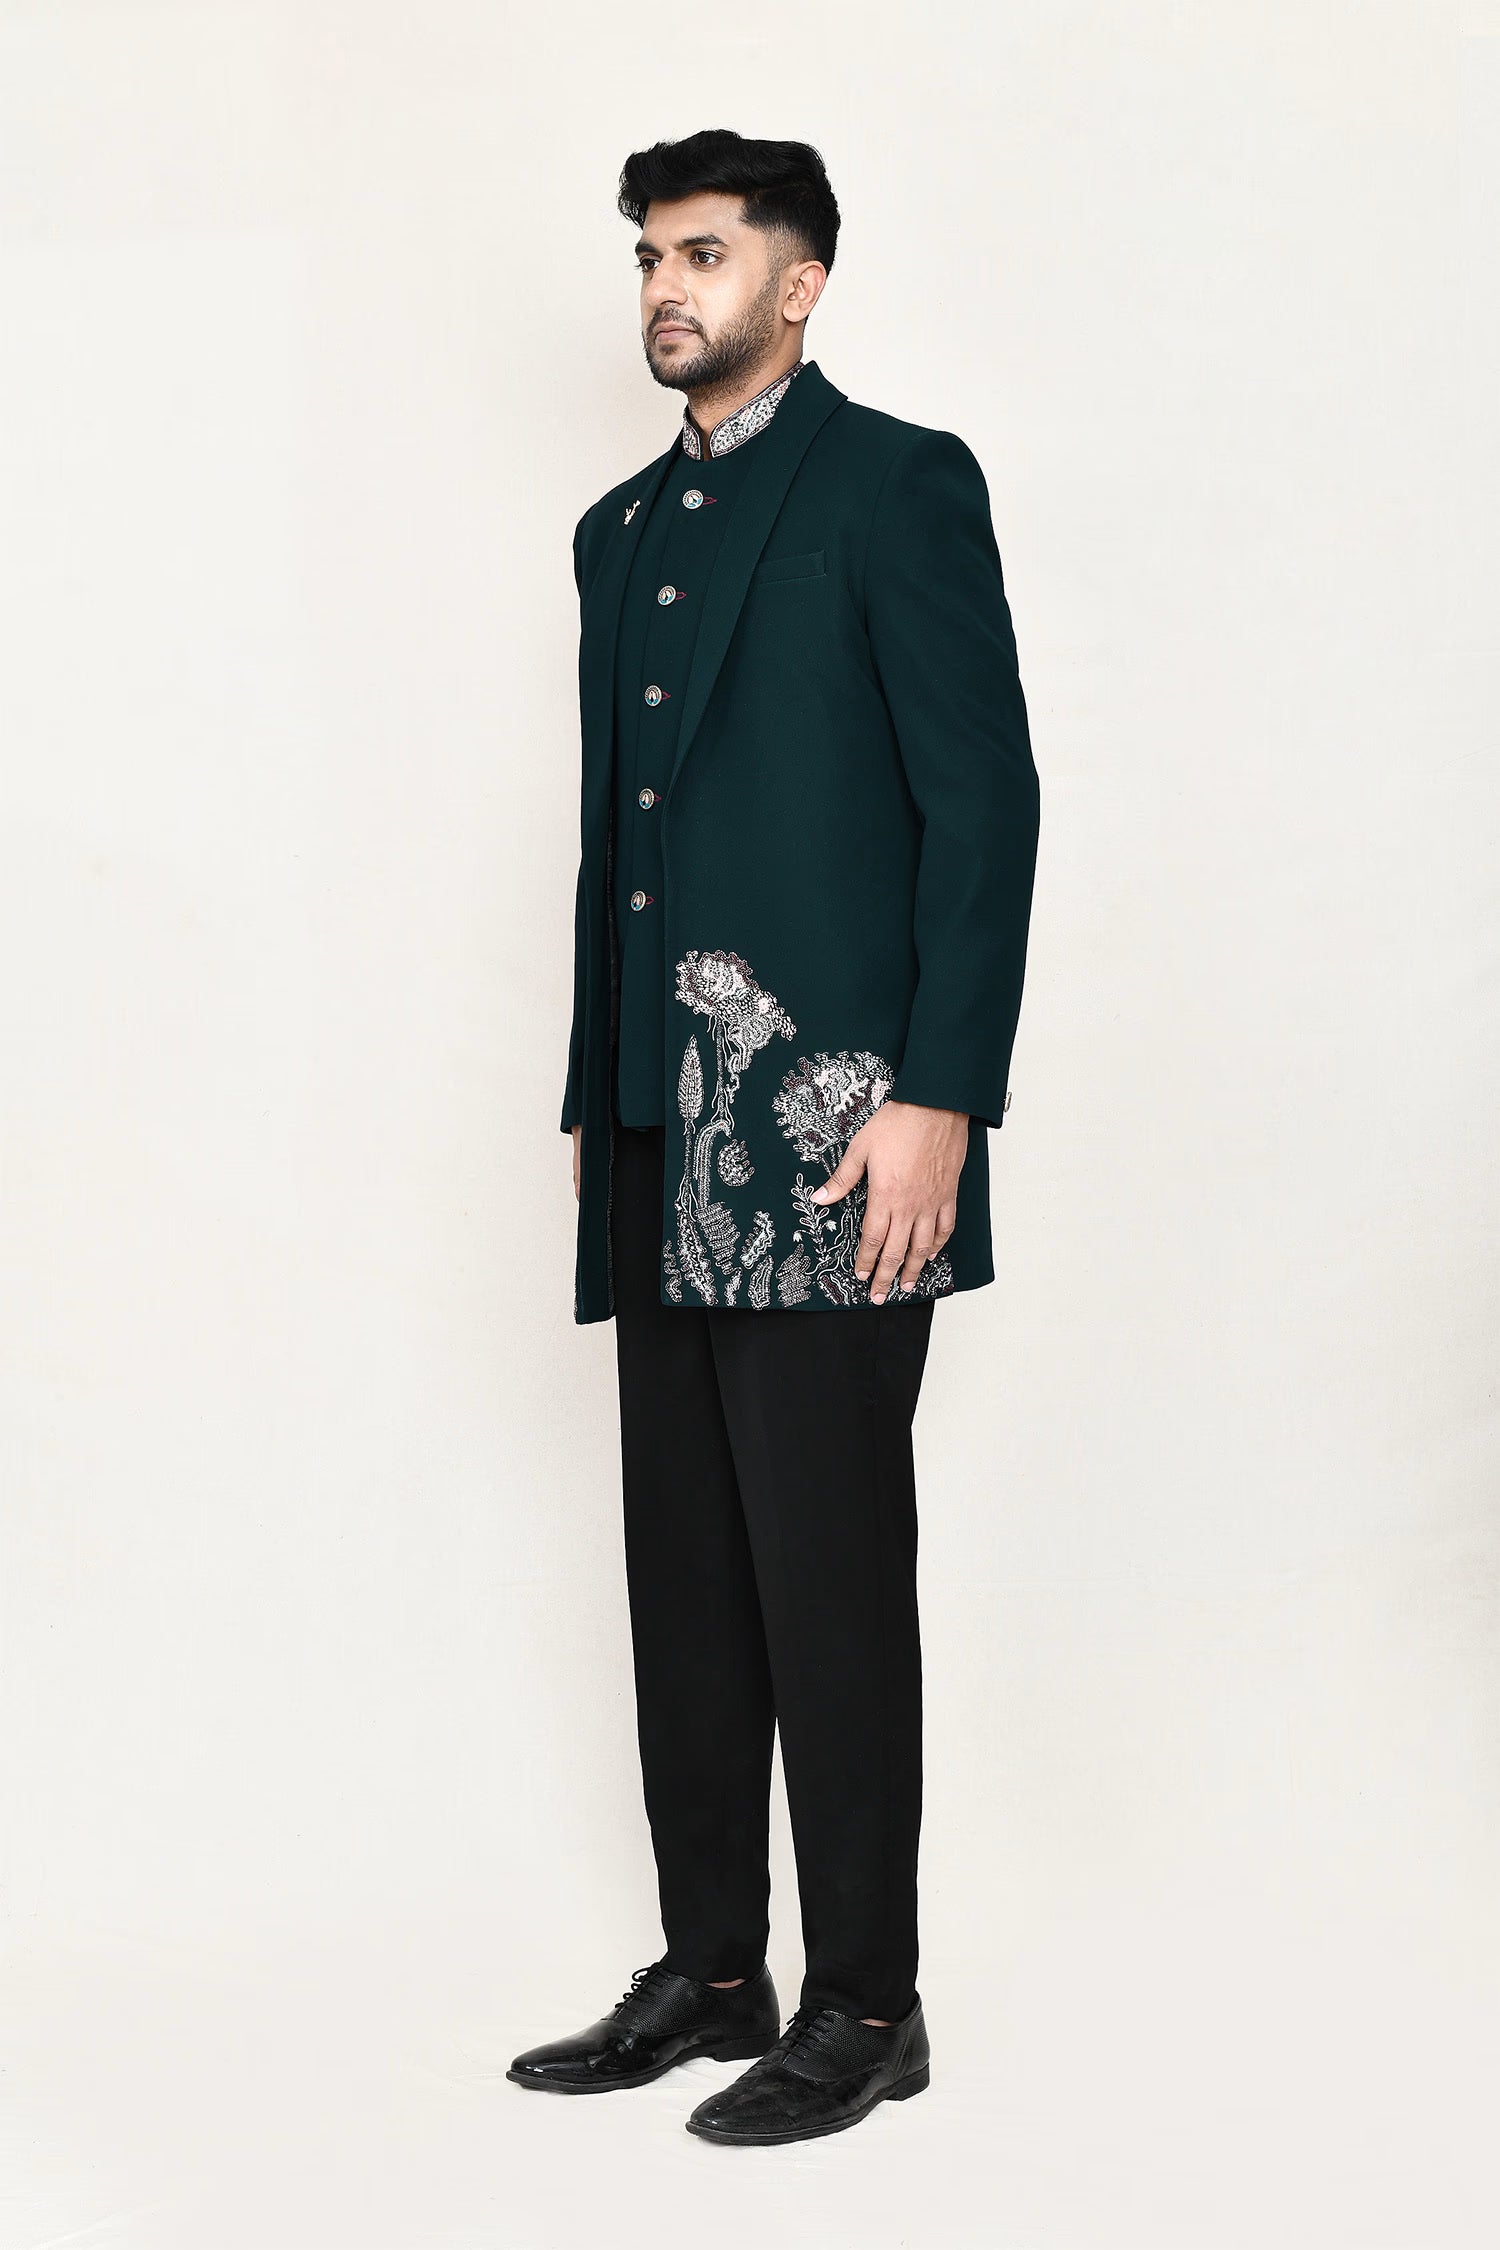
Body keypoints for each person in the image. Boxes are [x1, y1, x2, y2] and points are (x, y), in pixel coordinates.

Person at [509, 128, 1040, 2147]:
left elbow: (982, 806)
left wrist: (942, 1095)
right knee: (687, 1570)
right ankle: (715, 1968)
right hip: (660, 1128)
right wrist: (600, 1092)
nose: (669, 284)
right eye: (653, 253)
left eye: (706, 252)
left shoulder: (897, 484)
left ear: (797, 285)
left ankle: (870, 2003)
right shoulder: (617, 530)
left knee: (828, 1566)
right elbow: (619, 847)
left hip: (836, 1129)